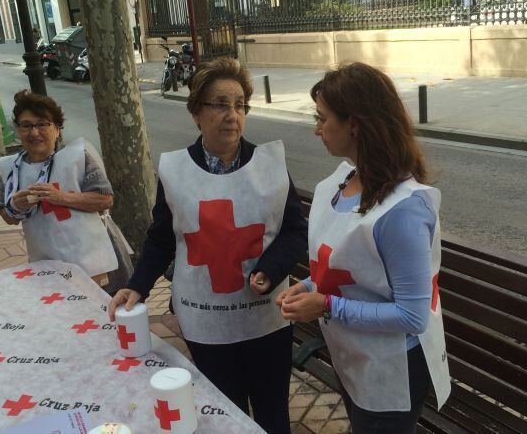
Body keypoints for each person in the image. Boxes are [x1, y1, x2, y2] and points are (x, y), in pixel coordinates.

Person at [108, 57, 307, 434]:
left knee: (273, 417)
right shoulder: (175, 171)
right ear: (196, 113)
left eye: (240, 105)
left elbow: (296, 231)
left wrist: (270, 267)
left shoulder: (270, 165)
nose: (232, 115)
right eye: (220, 104)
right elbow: (163, 236)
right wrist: (137, 284)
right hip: (206, 322)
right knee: (223, 413)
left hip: (266, 319)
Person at [277, 63, 451, 433]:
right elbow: (350, 266)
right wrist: (309, 287)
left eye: (323, 119)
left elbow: (412, 316)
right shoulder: (346, 178)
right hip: (354, 356)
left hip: (390, 368)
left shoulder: (403, 211)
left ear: (354, 124)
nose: (317, 129)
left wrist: (325, 304)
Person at [0, 90, 132, 293]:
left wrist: (62, 197)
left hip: (91, 257)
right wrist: (15, 207)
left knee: (105, 313)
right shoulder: (10, 169)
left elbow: (105, 200)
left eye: (42, 124)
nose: (34, 133)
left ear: (57, 129)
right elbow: (7, 216)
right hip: (46, 260)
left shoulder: (76, 157)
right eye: (26, 125)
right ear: (18, 129)